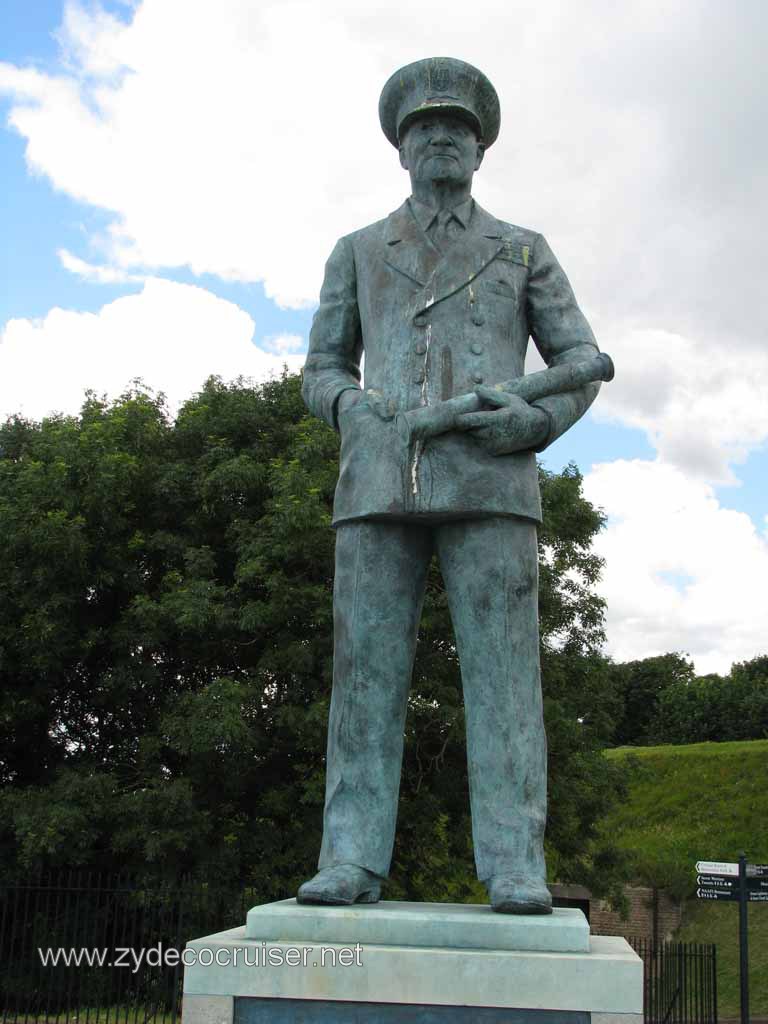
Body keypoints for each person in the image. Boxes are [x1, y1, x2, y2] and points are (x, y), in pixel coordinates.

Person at [298, 57, 603, 914]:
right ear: (401, 149)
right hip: (377, 479)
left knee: (506, 680)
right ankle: (351, 857)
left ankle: (514, 862)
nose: (441, 138)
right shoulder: (358, 250)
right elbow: (320, 366)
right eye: (425, 128)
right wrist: (350, 405)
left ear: (479, 149)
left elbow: (580, 360)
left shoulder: (521, 248)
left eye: (458, 129)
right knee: (363, 676)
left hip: (493, 476)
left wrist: (537, 424)